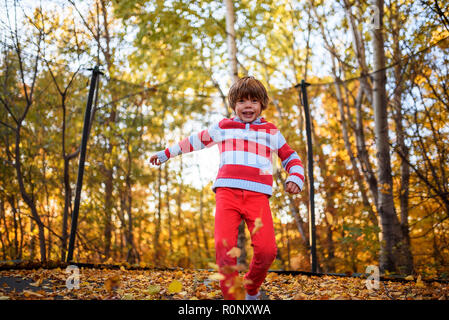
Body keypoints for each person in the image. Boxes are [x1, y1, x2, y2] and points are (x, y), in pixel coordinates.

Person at [150, 76, 304, 300]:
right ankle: (234, 301)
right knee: (224, 251)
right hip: (227, 194)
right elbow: (196, 140)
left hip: (258, 196)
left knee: (267, 250)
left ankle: (251, 288)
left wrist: (296, 177)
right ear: (234, 105)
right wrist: (166, 153)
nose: (248, 105)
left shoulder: (271, 132)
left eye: (253, 101)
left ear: (261, 104)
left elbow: (291, 157)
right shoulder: (224, 127)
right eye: (242, 101)